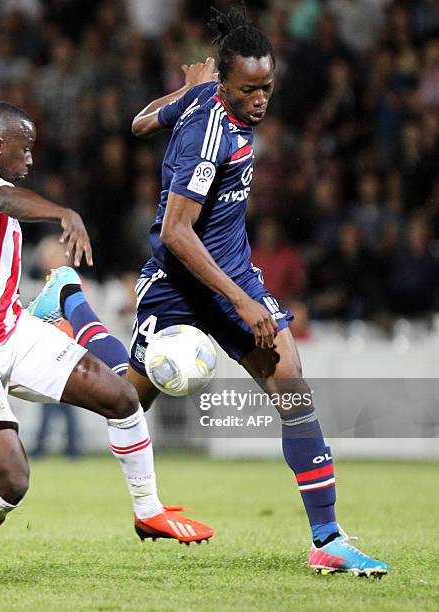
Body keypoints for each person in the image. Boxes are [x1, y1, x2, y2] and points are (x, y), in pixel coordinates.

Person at [30, 7, 387, 577]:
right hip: (179, 286)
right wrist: (244, 303)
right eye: (249, 90)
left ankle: (328, 538)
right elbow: (176, 231)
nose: (261, 100)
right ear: (225, 83)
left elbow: (140, 125)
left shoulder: (205, 101)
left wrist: (183, 93)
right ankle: (69, 298)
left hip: (233, 277)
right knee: (126, 401)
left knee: (292, 387)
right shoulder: (208, 129)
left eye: (267, 87)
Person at [0, 102, 213, 589]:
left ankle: (148, 511)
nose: (30, 159)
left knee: (122, 398)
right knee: (13, 479)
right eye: (24, 148)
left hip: (9, 334)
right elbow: (8, 199)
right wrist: (64, 213)